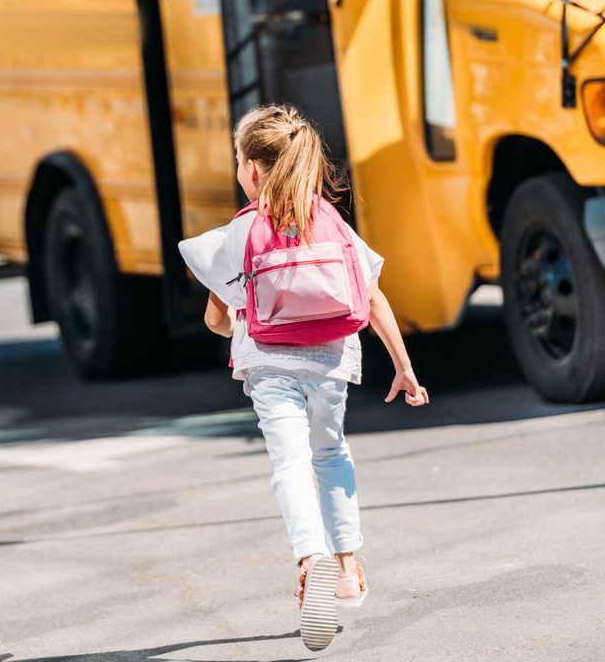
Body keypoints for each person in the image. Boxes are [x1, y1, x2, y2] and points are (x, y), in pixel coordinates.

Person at [178, 104, 429, 651]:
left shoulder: (240, 233)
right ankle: (346, 566)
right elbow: (373, 296)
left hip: (270, 366)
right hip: (332, 362)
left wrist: (240, 317)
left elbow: (217, 319)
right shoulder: (331, 221)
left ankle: (309, 556)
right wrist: (404, 368)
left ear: (249, 170)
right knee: (331, 454)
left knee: (289, 464)